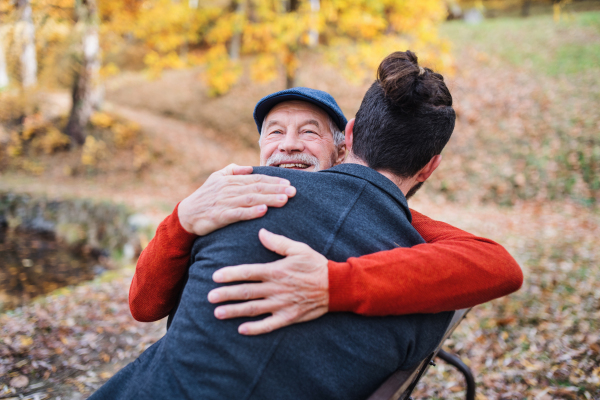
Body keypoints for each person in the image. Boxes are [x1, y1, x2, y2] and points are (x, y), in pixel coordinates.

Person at [91, 51, 519, 399]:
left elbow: (495, 263)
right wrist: (182, 219)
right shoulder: (234, 199)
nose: (289, 143)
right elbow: (144, 306)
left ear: (344, 144)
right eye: (274, 132)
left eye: (309, 132)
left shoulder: (395, 226)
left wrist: (331, 284)